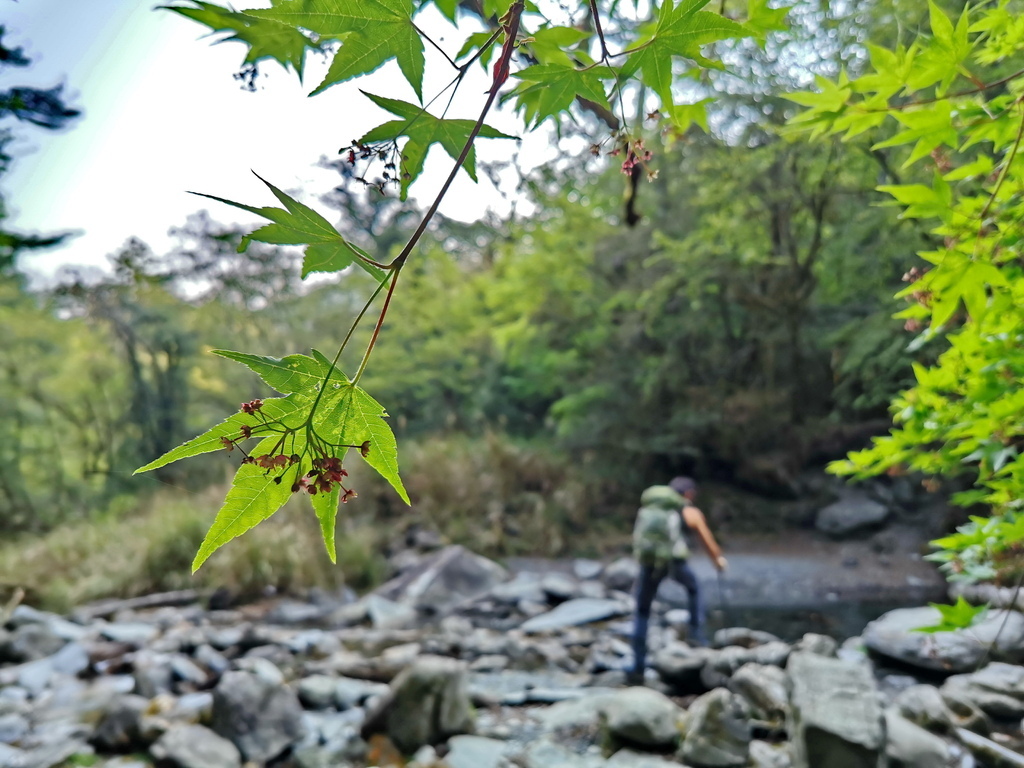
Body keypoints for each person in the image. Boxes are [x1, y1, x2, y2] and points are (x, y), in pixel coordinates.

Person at [628, 476, 727, 682]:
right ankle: (696, 636)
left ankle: (638, 665)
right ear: (689, 494)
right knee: (694, 589)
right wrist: (717, 560)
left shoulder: (651, 509)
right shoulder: (688, 511)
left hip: (649, 562)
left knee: (642, 610)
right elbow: (706, 539)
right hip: (674, 561)